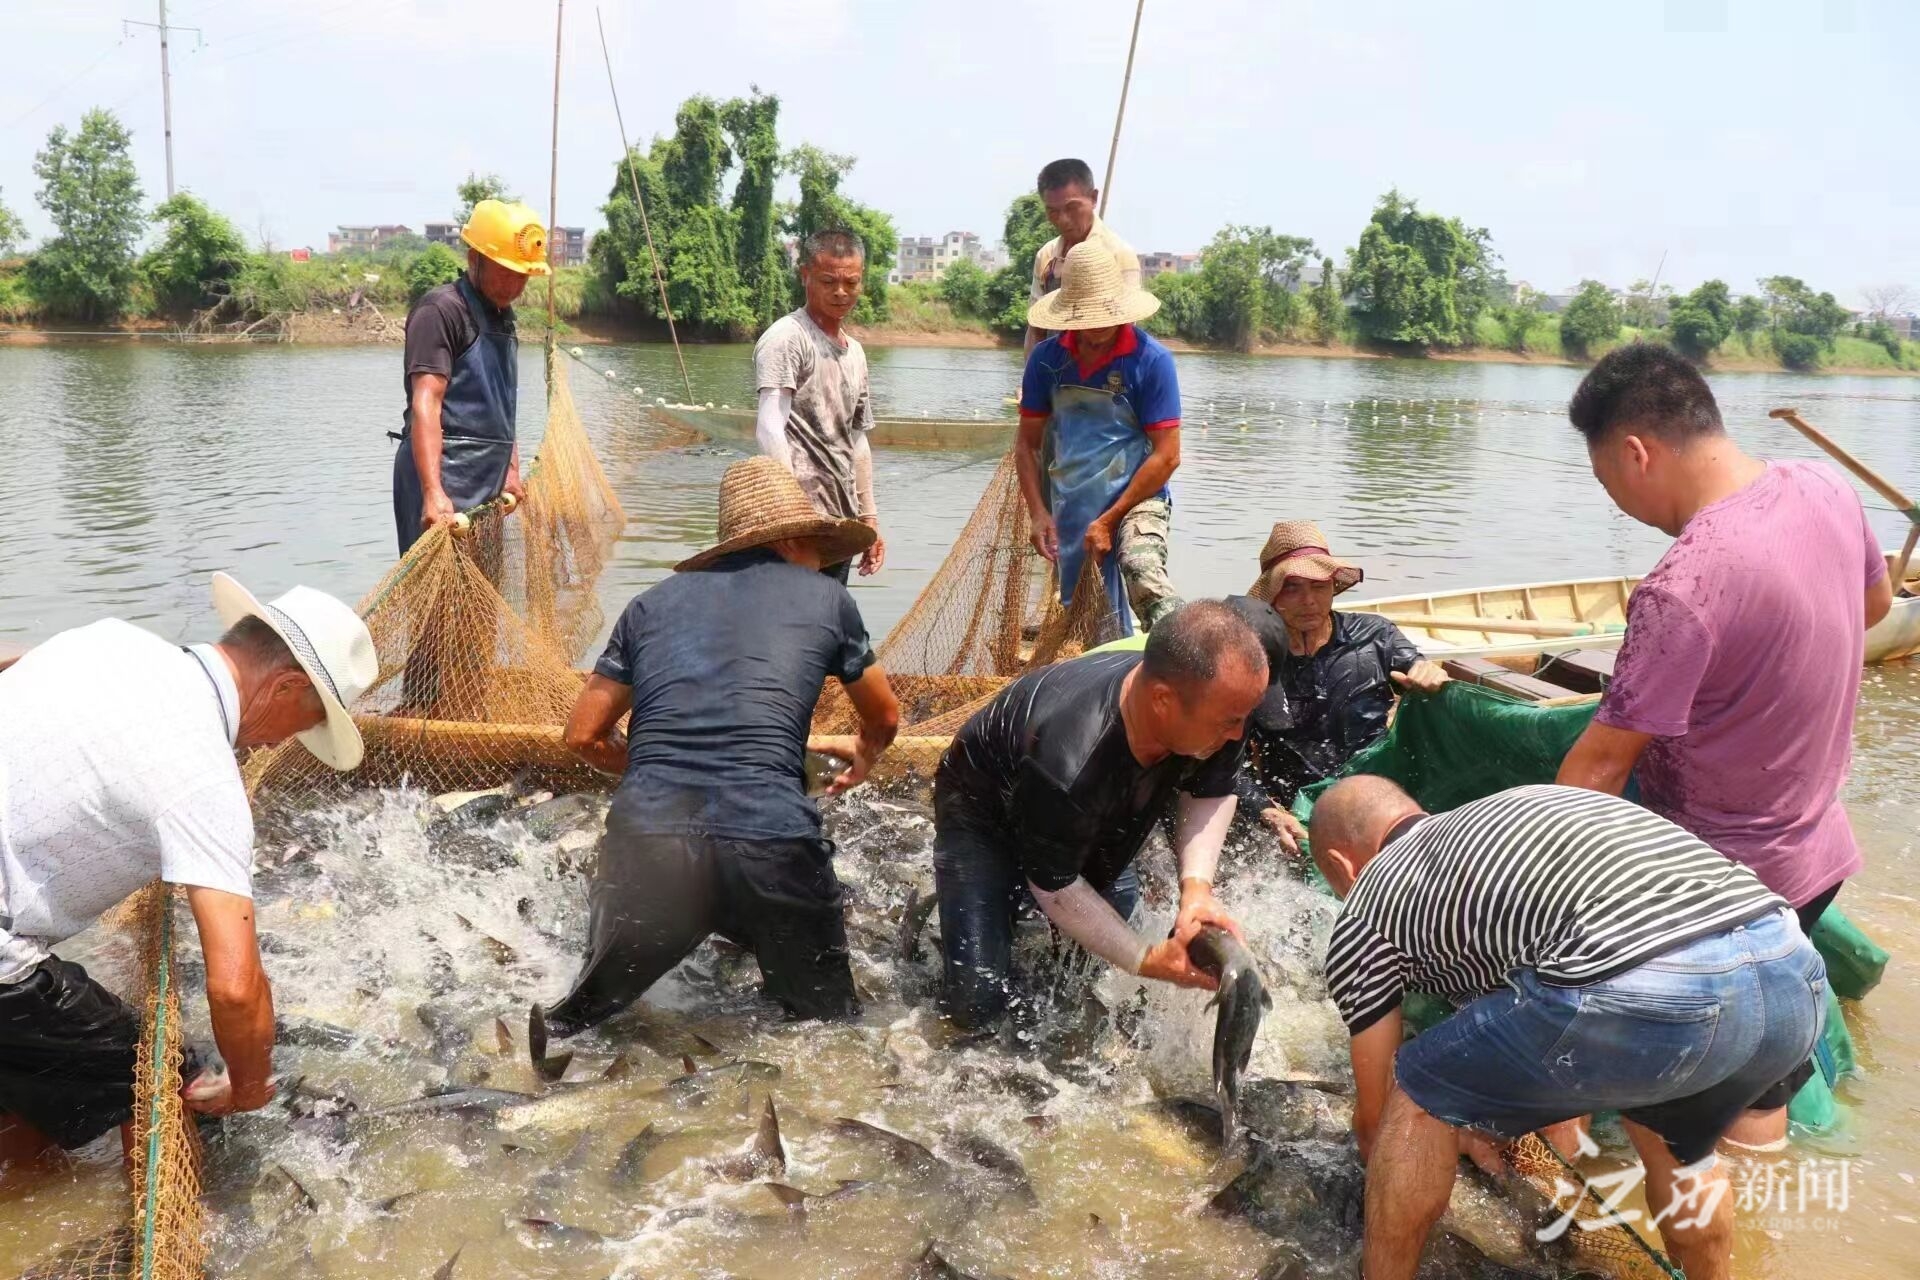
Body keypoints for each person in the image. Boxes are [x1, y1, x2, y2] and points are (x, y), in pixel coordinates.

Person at [1554, 343, 1890, 1146]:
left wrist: (1530, 902)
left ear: (1637, 453)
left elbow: (1598, 769)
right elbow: (1874, 607)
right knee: (1754, 1096)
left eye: (1607, 482)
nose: (1617, 504)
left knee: (1663, 1114)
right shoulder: (1824, 488)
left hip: (1711, 899)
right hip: (1811, 867)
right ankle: (1768, 1247)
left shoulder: (1685, 583)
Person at [1309, 777, 1826, 1280]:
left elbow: (1375, 1118)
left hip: (1654, 991)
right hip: (1789, 971)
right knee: (1677, 1142)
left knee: (1413, 1090)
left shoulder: (1367, 905)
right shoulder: (1500, 822)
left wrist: (1394, 1163)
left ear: (1341, 865)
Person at [0, 575, 376, 1175]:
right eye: (307, 721)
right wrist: (248, 1088)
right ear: (285, 686)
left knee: (33, 1074)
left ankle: (29, 1196)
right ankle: (187, 1245)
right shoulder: (204, 777)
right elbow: (233, 985)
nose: (291, 740)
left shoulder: (107, 638)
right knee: (165, 1080)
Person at [547, 458, 900, 1032]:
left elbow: (582, 735)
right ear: (789, 542)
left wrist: (657, 769)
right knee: (828, 1029)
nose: (822, 561)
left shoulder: (649, 605)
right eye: (816, 545)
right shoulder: (828, 601)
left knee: (589, 1024)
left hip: (649, 845)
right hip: (772, 841)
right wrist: (866, 756)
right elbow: (884, 718)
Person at [931, 600, 1266, 1030]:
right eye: (1229, 722)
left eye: (1243, 718)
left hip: (1096, 801)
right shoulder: (1069, 761)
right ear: (1162, 700)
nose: (1239, 734)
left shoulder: (1221, 707)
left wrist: (1197, 889)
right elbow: (1055, 887)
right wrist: (1144, 959)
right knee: (976, 1005)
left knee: (1091, 973)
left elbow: (1211, 790)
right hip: (982, 811)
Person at [1224, 521, 1447, 851]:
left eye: (1319, 586)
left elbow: (1418, 667)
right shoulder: (1251, 658)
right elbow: (1225, 761)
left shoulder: (1375, 636)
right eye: (1293, 587)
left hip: (1375, 796)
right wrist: (1269, 812)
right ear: (1271, 595)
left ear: (1333, 586)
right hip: (1294, 811)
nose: (1309, 600)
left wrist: (1428, 674)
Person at [1017, 241, 1183, 637]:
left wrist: (1110, 519)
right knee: (1089, 618)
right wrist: (1039, 513)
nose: (1094, 330)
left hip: (1140, 496)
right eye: (1083, 318)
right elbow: (1028, 445)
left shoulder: (1151, 361)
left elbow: (1167, 456)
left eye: (1103, 317)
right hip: (1073, 498)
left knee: (1142, 569)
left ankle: (1183, 659)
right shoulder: (1046, 361)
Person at [393, 197, 550, 555]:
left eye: (522, 275)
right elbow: (426, 403)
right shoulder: (441, 310)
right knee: (438, 605)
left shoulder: (504, 318)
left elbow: (502, 404)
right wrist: (433, 492)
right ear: (474, 258)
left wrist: (510, 469)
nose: (514, 284)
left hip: (488, 483)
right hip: (443, 475)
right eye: (505, 271)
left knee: (480, 601)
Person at [753, 229, 885, 583]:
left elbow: (856, 440)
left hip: (839, 526)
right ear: (805, 276)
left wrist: (868, 517)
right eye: (828, 281)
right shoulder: (788, 338)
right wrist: (791, 514)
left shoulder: (854, 352)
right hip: (794, 529)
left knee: (827, 626)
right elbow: (769, 425)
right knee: (790, 627)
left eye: (851, 282)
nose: (840, 292)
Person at [1025, 157, 1141, 354]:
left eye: (1072, 208)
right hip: (1053, 372)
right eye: (1053, 211)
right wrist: (1030, 379)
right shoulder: (1046, 255)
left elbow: (1126, 327)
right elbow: (1036, 329)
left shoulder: (1119, 254)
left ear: (1094, 198)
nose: (1062, 220)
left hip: (1104, 377)